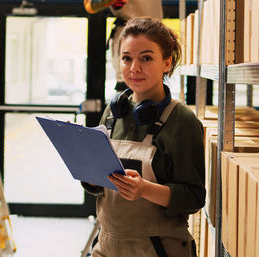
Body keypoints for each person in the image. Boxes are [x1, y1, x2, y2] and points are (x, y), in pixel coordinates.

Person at [82, 17, 206, 257]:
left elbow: (193, 198)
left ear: (167, 63)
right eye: (127, 58)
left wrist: (144, 189)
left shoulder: (182, 121)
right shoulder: (113, 113)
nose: (133, 68)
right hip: (107, 245)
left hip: (157, 249)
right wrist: (91, 177)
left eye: (146, 58)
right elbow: (100, 185)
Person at [84, 0, 163, 91]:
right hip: (129, 37)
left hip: (155, 36)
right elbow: (91, 3)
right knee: (129, 91)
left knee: (154, 89)